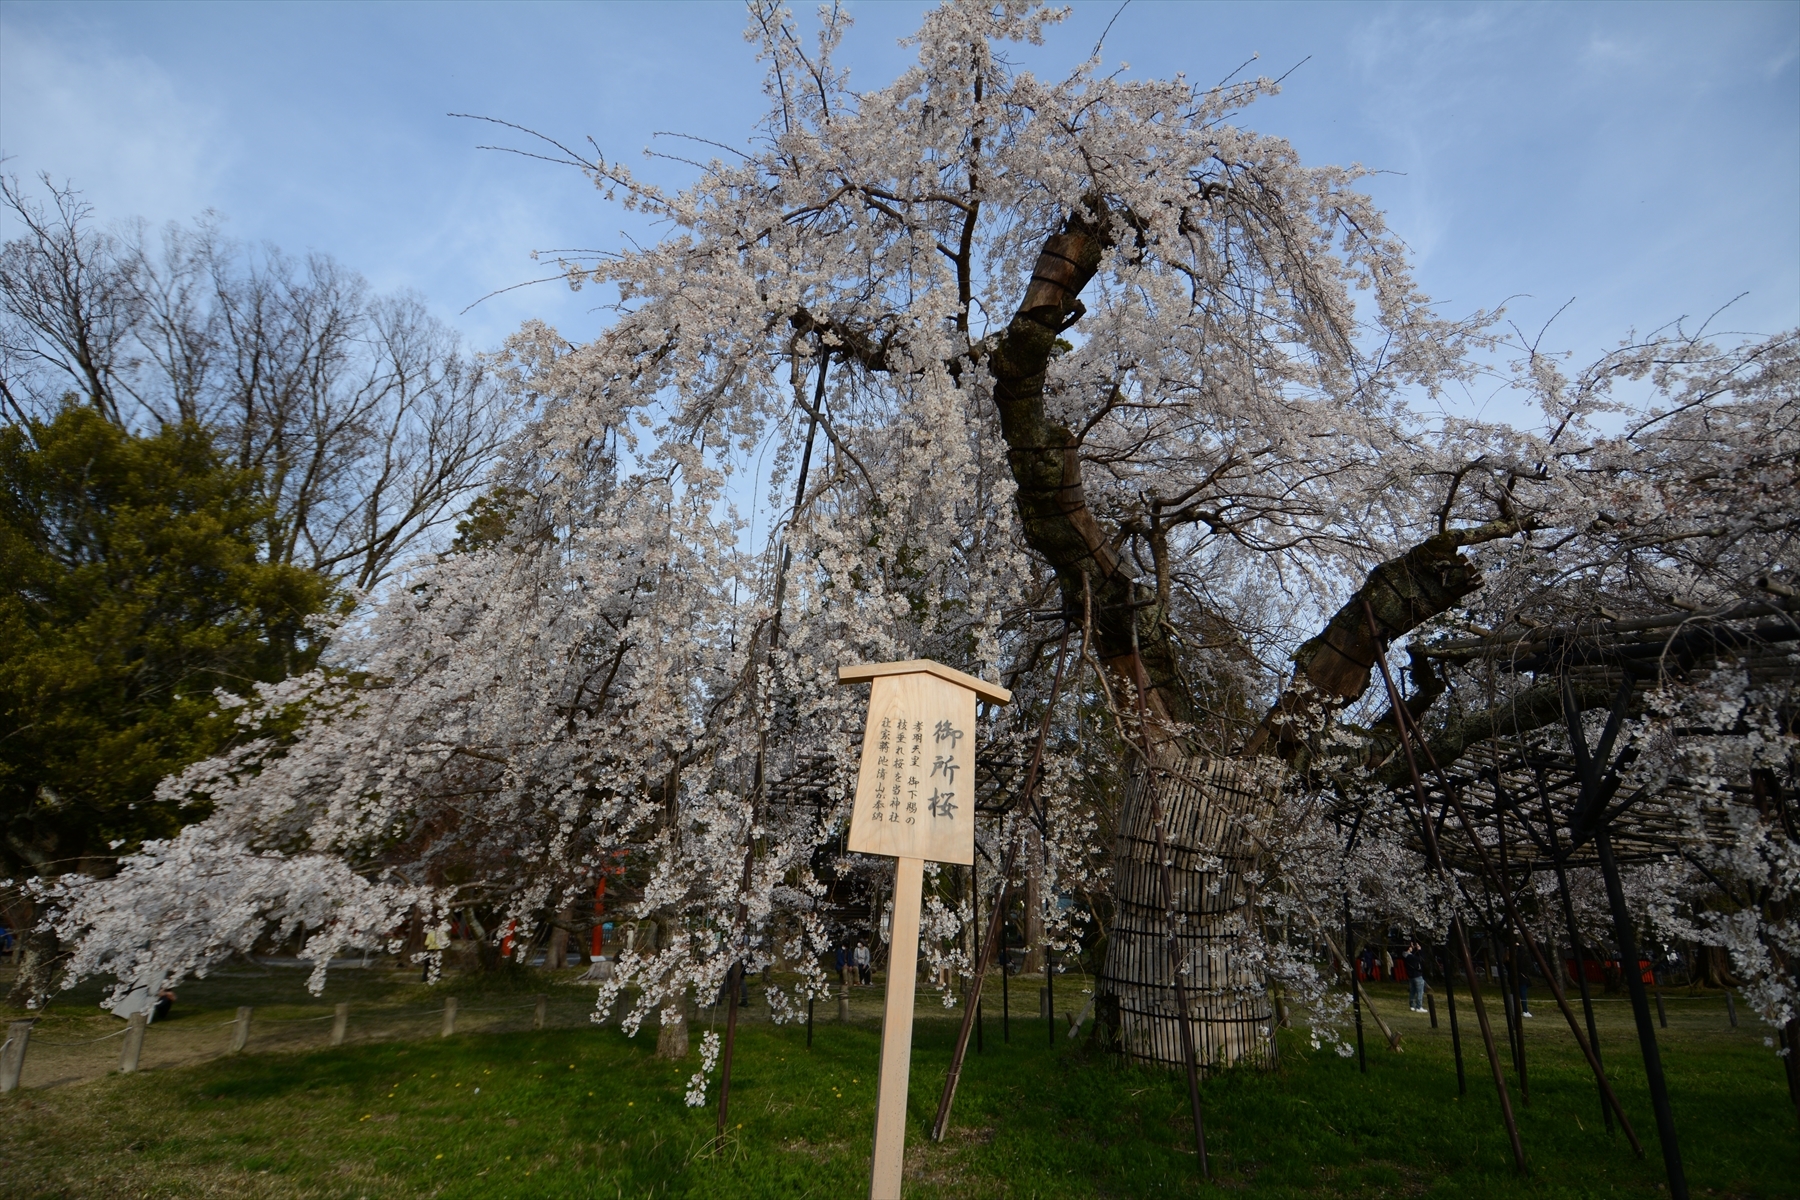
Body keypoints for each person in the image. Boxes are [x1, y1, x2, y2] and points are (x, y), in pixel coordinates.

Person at [1403, 940, 1427, 1012]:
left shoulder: (1405, 956)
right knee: (1420, 992)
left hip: (1411, 977)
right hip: (1417, 975)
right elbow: (1420, 959)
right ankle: (1419, 1007)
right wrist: (1419, 950)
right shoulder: (1410, 957)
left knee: (1412, 991)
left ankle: (1412, 1005)